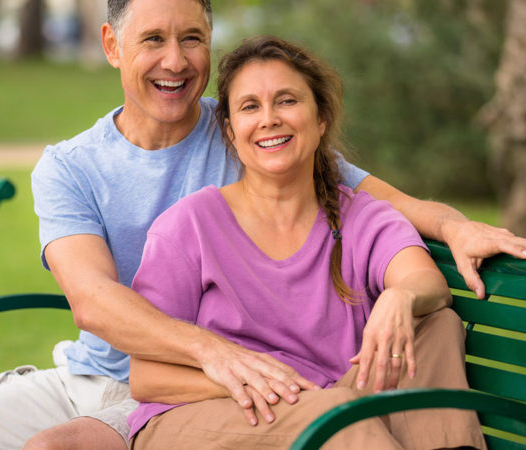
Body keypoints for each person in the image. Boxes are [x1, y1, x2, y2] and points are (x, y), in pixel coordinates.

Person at [0, 0, 526, 449]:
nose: (175, 59)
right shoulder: (69, 168)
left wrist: (452, 225)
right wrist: (217, 353)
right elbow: (94, 302)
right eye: (154, 40)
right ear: (113, 46)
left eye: (191, 38)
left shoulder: (250, 132)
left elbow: (383, 204)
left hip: (174, 396)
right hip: (100, 373)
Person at [127, 34, 486, 449]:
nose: (269, 118)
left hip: (330, 402)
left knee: (435, 324)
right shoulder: (189, 227)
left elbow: (426, 283)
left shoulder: (363, 217)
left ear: (320, 120)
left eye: (287, 101)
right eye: (250, 107)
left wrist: (401, 297)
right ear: (230, 131)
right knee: (334, 419)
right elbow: (146, 376)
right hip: (206, 418)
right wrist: (259, 383)